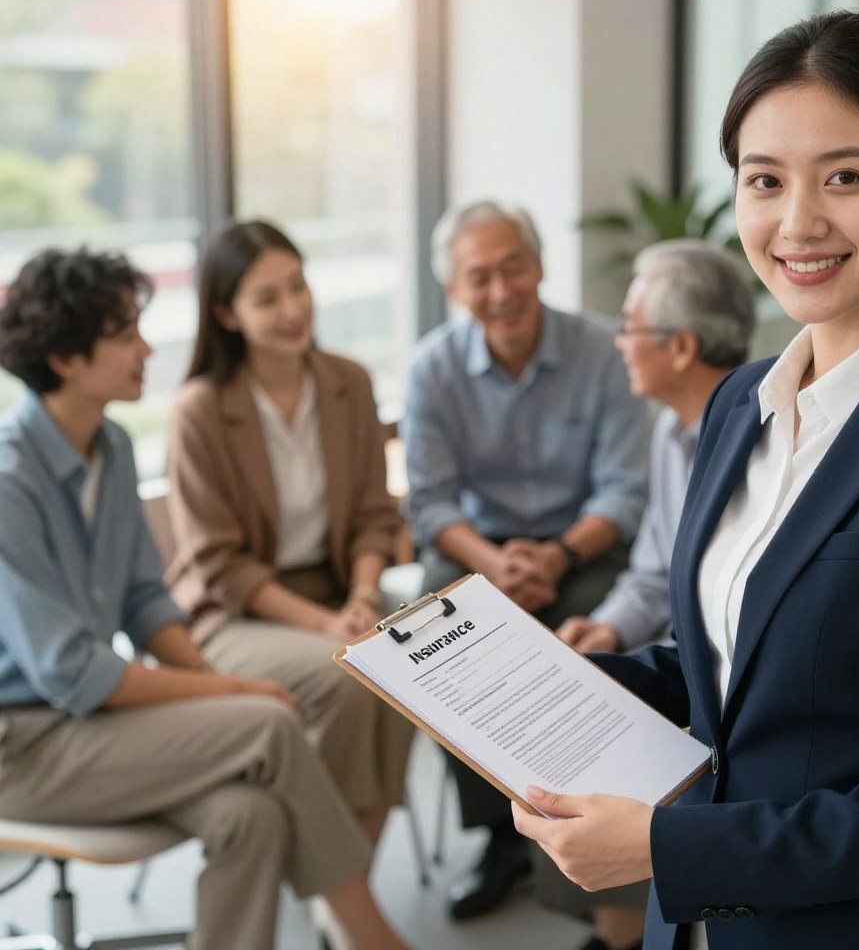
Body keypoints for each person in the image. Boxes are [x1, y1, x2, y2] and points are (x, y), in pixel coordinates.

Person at [511, 10, 859, 950]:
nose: (798, 223)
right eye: (765, 181)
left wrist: (670, 847)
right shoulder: (740, 402)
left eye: (846, 177)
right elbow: (734, 674)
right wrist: (551, 687)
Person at [0, 248, 409, 950]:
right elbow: (71, 670)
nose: (146, 349)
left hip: (84, 726)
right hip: (23, 746)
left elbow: (145, 602)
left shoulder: (113, 447)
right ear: (67, 358)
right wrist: (227, 689)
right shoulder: (10, 480)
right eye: (126, 334)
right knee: (266, 723)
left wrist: (217, 690)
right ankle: (370, 936)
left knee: (250, 816)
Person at [402, 199, 649, 919]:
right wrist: (493, 565)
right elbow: (429, 503)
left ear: (539, 266)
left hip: (585, 545)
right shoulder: (432, 369)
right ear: (454, 289)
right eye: (479, 276)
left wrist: (559, 554)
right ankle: (499, 837)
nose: (502, 289)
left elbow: (626, 490)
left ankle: (593, 824)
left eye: (515, 266)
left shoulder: (603, 350)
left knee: (599, 644)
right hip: (478, 554)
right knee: (433, 655)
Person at [164, 220, 414, 868]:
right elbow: (221, 568)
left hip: (341, 592)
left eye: (297, 287)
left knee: (414, 671)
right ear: (225, 313)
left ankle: (340, 881)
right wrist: (330, 623)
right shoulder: (201, 410)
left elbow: (372, 516)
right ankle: (338, 887)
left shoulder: (348, 382)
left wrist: (360, 595)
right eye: (267, 298)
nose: (293, 309)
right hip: (238, 615)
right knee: (357, 674)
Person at [549, 239, 755, 950]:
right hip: (679, 659)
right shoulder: (670, 435)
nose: (619, 343)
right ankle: (617, 935)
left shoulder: (760, 442)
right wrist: (604, 630)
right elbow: (649, 572)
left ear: (680, 347)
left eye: (630, 327)